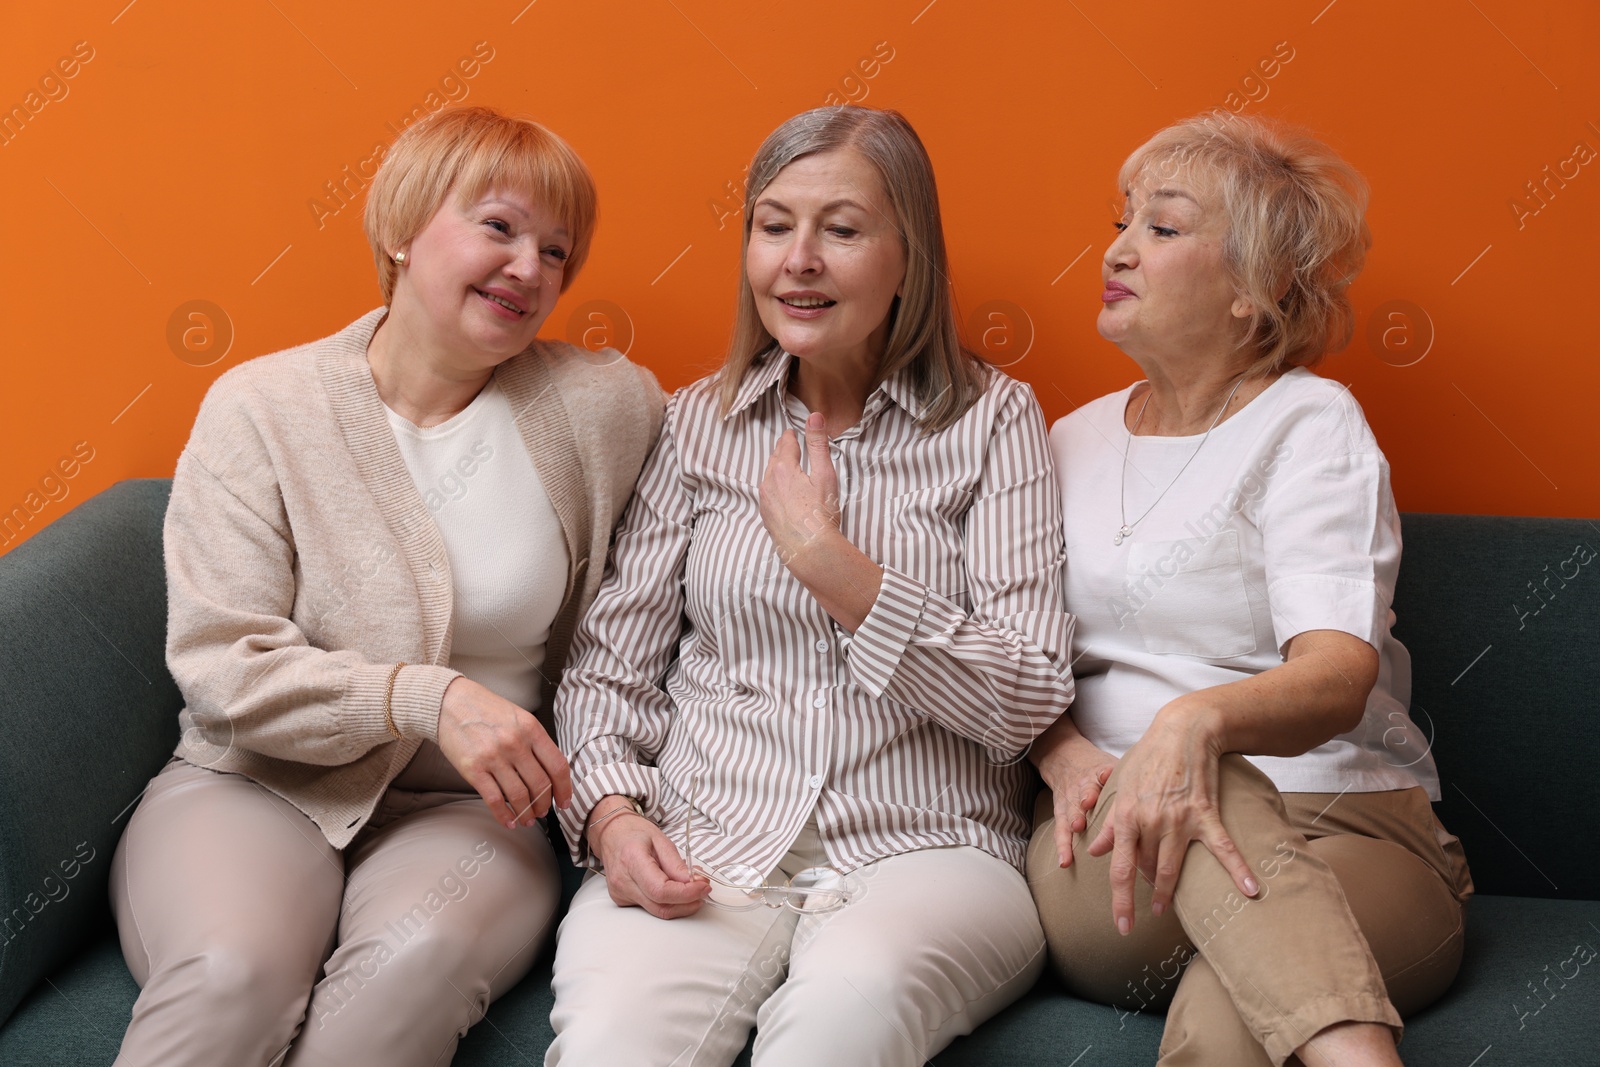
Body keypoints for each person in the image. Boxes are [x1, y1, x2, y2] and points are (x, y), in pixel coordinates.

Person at [107, 106, 664, 1067]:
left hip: (475, 812)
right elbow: (221, 663)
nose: (530, 268)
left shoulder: (604, 406)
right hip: (258, 784)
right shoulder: (262, 407)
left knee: (409, 966)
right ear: (401, 231)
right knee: (231, 974)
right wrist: (425, 695)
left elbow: (749, 435)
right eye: (498, 227)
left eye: (557, 250)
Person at [543, 104, 1075, 1066]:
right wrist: (614, 817)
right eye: (774, 224)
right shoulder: (696, 421)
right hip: (705, 834)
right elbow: (606, 675)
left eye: (841, 229)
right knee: (612, 1044)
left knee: (840, 1024)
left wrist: (833, 567)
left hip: (928, 847)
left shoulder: (997, 421)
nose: (799, 259)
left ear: (910, 256)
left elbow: (1026, 694)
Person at [1026, 112, 1473, 1066]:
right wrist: (1066, 748)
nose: (1119, 249)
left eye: (1165, 227)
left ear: (1253, 292)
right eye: (1122, 222)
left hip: (1352, 827)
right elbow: (1001, 657)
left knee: (1235, 1007)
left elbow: (1336, 676)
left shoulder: (1310, 423)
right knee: (1189, 762)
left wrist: (1195, 721)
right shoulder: (1060, 442)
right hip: (1116, 852)